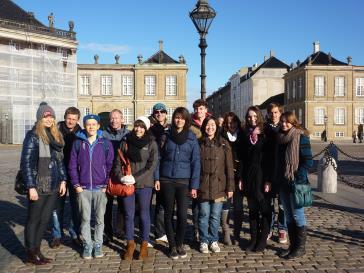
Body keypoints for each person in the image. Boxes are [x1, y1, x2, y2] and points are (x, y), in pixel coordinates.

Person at [21, 102, 67, 265]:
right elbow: (26, 163)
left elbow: (60, 161)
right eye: (45, 117)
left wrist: (63, 180)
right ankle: (30, 252)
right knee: (34, 219)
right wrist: (31, 186)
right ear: (40, 118)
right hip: (39, 184)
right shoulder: (33, 136)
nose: (49, 120)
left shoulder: (55, 136)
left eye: (51, 117)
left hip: (53, 184)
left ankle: (37, 249)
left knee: (45, 218)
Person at [156, 107, 200, 260]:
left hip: (184, 181)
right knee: (168, 214)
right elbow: (158, 159)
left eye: (182, 118)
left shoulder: (192, 138)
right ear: (173, 118)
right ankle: (172, 245)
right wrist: (157, 178)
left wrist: (194, 185)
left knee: (182, 215)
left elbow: (196, 162)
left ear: (186, 120)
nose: (179, 120)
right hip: (167, 179)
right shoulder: (166, 136)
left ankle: (180, 243)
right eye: (176, 117)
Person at [69, 114, 114, 259]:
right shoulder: (78, 143)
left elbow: (110, 165)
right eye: (88, 124)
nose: (91, 127)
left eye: (94, 124)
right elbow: (72, 166)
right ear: (84, 126)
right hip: (84, 188)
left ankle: (98, 244)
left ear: (98, 126)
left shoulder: (105, 143)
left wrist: (106, 184)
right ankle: (88, 244)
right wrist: (76, 185)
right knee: (85, 219)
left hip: (100, 187)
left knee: (100, 219)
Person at [114, 117, 158, 260]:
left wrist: (135, 178)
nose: (139, 129)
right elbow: (118, 162)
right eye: (137, 126)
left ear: (146, 129)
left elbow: (151, 166)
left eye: (142, 127)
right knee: (128, 214)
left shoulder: (151, 143)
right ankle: (130, 244)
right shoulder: (125, 141)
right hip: (127, 184)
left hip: (144, 184)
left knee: (145, 214)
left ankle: (144, 245)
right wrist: (121, 177)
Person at [276, 111, 313, 259]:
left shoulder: (300, 136)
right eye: (282, 121)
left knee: (298, 215)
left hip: (296, 183)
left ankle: (300, 248)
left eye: (287, 121)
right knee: (289, 216)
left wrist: (298, 177)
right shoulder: (280, 137)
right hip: (283, 182)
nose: (284, 124)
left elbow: (308, 161)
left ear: (293, 122)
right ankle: (293, 246)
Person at [198, 116, 234, 254]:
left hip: (220, 186)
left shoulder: (224, 144)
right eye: (207, 125)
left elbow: (229, 167)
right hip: (203, 185)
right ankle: (203, 240)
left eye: (213, 125)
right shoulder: (199, 143)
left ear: (217, 127)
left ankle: (213, 240)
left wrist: (230, 187)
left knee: (215, 215)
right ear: (204, 127)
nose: (210, 127)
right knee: (203, 214)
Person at [239, 106, 272, 252]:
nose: (252, 119)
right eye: (249, 116)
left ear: (258, 116)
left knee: (264, 209)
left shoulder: (266, 133)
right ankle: (253, 239)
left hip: (263, 174)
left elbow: (271, 159)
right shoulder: (245, 134)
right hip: (249, 175)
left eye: (254, 116)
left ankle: (263, 239)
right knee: (252, 209)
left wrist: (268, 180)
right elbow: (242, 158)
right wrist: (240, 177)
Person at [50, 107, 82, 249]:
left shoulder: (81, 133)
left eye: (74, 119)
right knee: (57, 206)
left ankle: (75, 234)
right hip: (58, 173)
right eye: (69, 118)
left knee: (76, 206)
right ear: (64, 117)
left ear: (77, 120)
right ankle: (57, 235)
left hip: (75, 173)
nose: (71, 121)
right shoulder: (55, 130)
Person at [103, 109, 129, 244]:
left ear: (122, 119)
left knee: (122, 203)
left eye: (117, 118)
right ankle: (107, 232)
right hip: (106, 172)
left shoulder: (128, 134)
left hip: (121, 173)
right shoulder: (103, 134)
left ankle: (120, 230)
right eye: (112, 118)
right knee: (106, 205)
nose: (114, 121)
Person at [264, 103, 287, 244]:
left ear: (280, 113)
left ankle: (282, 229)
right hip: (268, 170)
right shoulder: (265, 128)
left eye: (276, 112)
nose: (274, 115)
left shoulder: (284, 128)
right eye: (271, 112)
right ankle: (269, 228)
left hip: (282, 171)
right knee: (270, 203)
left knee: (283, 203)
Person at [148, 103, 169, 244]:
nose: (159, 114)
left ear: (166, 114)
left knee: (162, 204)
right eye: (157, 111)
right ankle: (145, 234)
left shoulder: (170, 129)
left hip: (163, 170)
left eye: (162, 111)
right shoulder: (149, 129)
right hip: (149, 170)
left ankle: (160, 232)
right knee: (146, 204)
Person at [189, 99, 210, 243]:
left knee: (208, 201)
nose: (199, 111)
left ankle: (207, 229)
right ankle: (197, 229)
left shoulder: (211, 122)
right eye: (196, 109)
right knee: (196, 201)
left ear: (205, 109)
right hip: (195, 166)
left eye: (201, 108)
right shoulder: (190, 126)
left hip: (209, 166)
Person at [221, 112, 243, 246]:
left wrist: (241, 176)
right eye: (229, 122)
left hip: (239, 176)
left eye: (233, 122)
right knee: (226, 206)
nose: (231, 125)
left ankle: (237, 234)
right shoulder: (222, 136)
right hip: (225, 176)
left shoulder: (243, 136)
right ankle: (226, 233)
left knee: (238, 206)